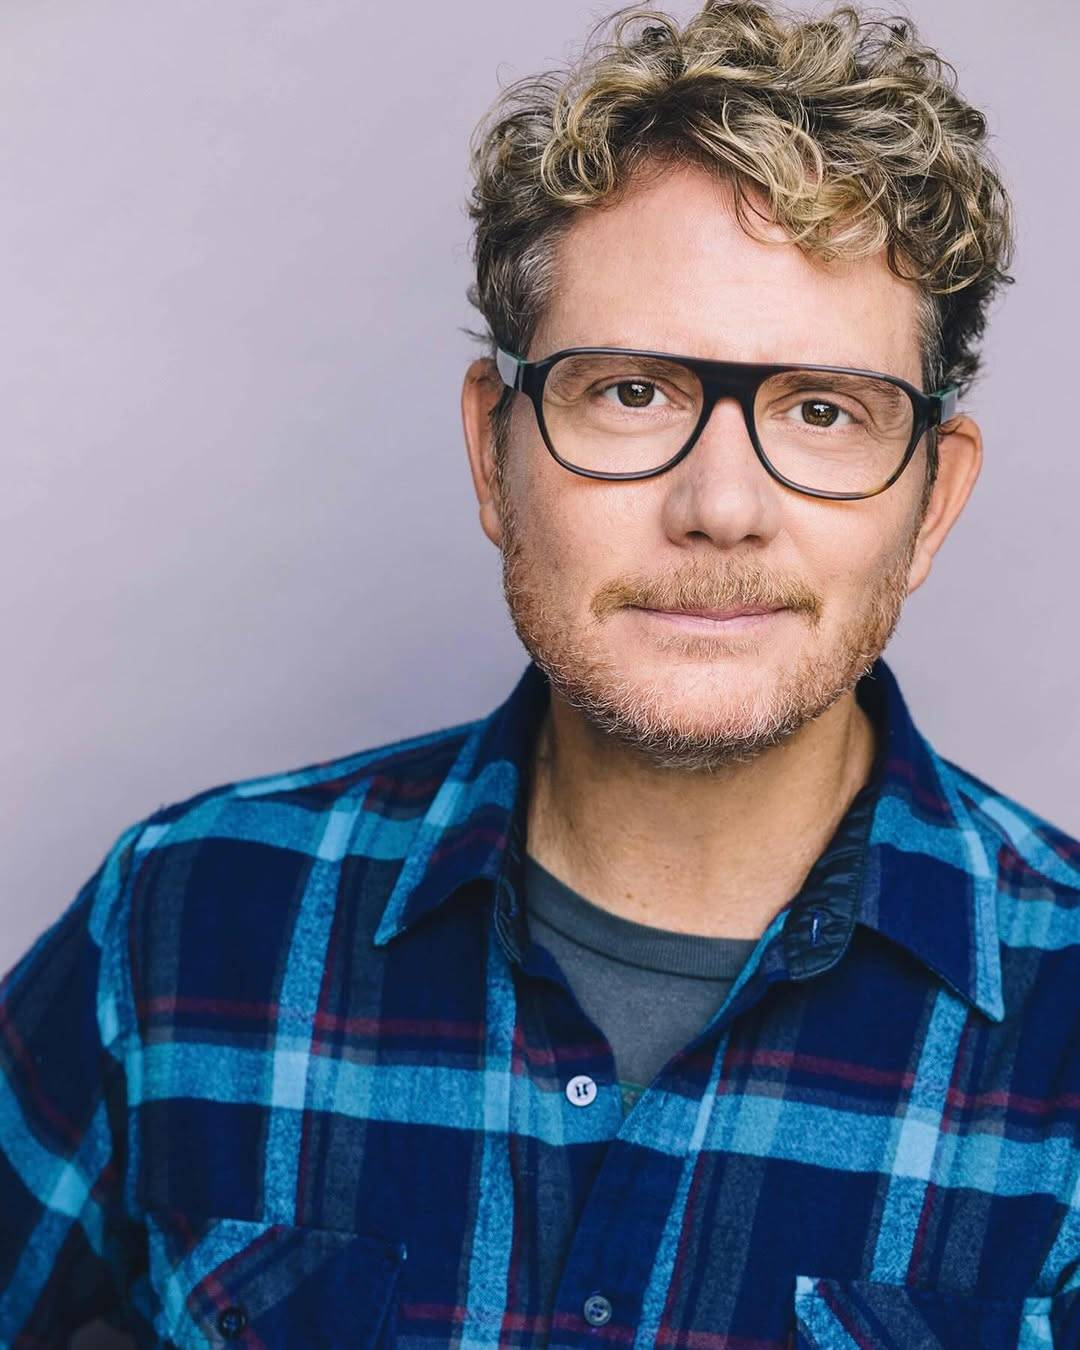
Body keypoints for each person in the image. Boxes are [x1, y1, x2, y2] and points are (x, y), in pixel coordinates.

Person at [2, 1, 1077, 1345]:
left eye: (823, 410)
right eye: (631, 391)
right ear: (492, 454)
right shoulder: (182, 927)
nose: (722, 505)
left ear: (932, 502)